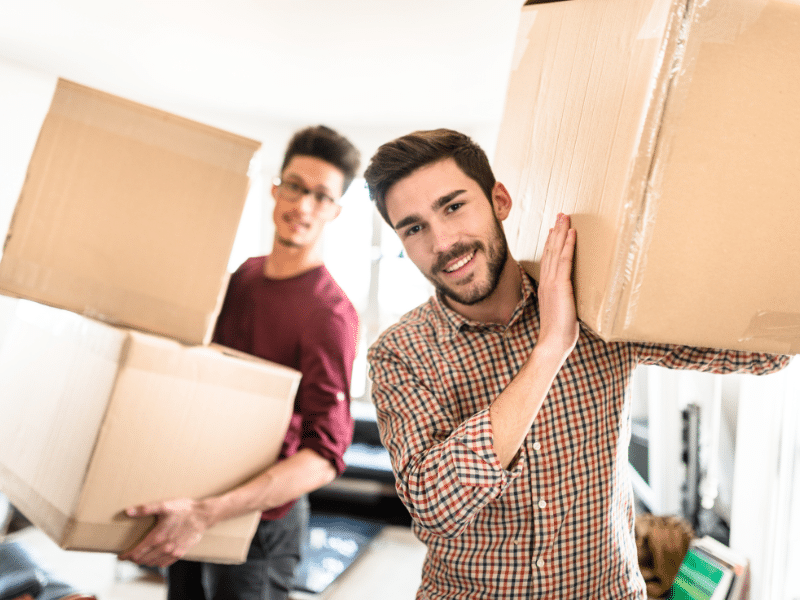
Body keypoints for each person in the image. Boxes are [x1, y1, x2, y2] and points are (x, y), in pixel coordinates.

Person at [362, 128, 791, 599]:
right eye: (415, 227)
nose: (443, 241)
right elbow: (435, 506)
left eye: (453, 206)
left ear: (499, 201)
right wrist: (550, 348)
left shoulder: (597, 309)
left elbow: (764, 351)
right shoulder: (400, 353)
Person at [119, 125, 362, 600]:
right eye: (295, 186)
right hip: (193, 495)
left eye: (321, 196)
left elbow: (326, 456)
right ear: (275, 187)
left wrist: (210, 512)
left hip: (260, 523)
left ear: (335, 210)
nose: (303, 206)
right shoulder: (243, 277)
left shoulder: (330, 313)